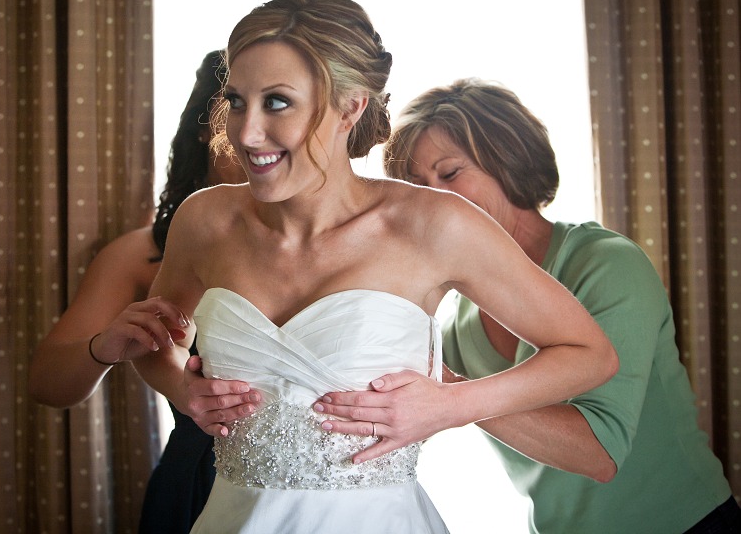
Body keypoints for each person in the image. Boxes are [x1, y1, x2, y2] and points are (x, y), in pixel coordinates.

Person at [131, 0, 618, 533]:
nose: (246, 134)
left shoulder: (434, 225)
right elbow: (157, 341)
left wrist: (455, 404)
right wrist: (184, 390)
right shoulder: (204, 222)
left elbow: (589, 354)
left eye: (277, 103)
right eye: (238, 101)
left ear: (350, 107)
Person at [317, 78, 740, 533]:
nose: (433, 199)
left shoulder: (606, 264)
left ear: (508, 163)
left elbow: (598, 455)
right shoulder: (458, 319)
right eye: (417, 185)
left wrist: (451, 395)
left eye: (450, 173)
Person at [27, 50, 245, 533]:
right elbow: (45, 383)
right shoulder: (140, 256)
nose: (257, 134)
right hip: (198, 486)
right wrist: (101, 349)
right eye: (239, 108)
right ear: (204, 127)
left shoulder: (331, 248)